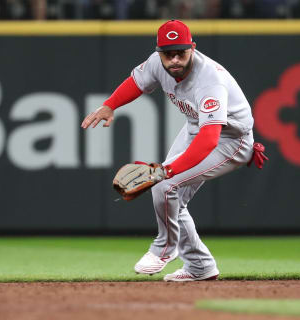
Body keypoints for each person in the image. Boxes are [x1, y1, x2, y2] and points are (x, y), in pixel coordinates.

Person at [81, 19, 266, 282]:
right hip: (195, 128)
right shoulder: (158, 62)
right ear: (159, 52)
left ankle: (164, 249)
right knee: (170, 194)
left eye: (182, 52)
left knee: (164, 185)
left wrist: (166, 171)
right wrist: (110, 104)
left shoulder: (209, 80)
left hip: (230, 141)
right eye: (168, 54)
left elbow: (210, 140)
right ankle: (200, 266)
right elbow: (137, 82)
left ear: (193, 47)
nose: (175, 59)